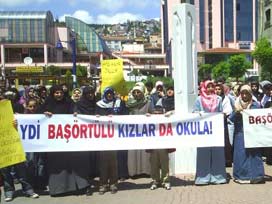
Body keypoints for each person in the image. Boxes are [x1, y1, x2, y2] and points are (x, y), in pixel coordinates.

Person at [39, 85, 91, 196]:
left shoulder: (69, 103)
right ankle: (59, 189)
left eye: (61, 93)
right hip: (54, 142)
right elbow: (38, 118)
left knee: (74, 163)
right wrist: (44, 115)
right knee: (58, 165)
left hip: (69, 140)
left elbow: (75, 111)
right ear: (52, 94)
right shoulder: (47, 105)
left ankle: (79, 186)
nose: (59, 95)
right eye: (56, 93)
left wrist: (76, 114)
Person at [0, 97, 39, 202]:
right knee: (5, 170)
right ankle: (9, 192)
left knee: (21, 168)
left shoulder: (11, 112)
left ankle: (28, 189)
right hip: (2, 147)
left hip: (13, 144)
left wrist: (16, 124)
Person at [193, 80, 227, 185]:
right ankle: (203, 177)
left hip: (216, 130)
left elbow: (221, 112)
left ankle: (218, 177)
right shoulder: (199, 99)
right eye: (208, 87)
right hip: (204, 130)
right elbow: (194, 112)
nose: (210, 89)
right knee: (203, 152)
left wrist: (222, 115)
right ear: (204, 88)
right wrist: (199, 113)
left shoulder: (219, 99)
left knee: (217, 152)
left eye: (212, 87)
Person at [96, 87, 128, 194]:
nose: (109, 95)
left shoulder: (119, 103)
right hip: (102, 137)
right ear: (105, 94)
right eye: (107, 94)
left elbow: (125, 116)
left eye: (111, 94)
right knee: (103, 162)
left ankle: (114, 183)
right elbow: (94, 117)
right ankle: (103, 184)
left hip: (115, 136)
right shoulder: (99, 104)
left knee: (113, 161)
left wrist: (115, 116)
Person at [230, 84, 265, 184]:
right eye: (242, 93)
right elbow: (231, 119)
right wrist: (236, 112)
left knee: (254, 154)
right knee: (241, 154)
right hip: (240, 134)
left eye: (246, 93)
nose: (244, 96)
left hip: (253, 134)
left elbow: (260, 119)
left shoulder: (256, 105)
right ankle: (241, 176)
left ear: (250, 94)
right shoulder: (236, 105)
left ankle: (256, 176)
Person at [148, 86, 175, 190]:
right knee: (154, 162)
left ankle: (165, 180)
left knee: (164, 162)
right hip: (154, 141)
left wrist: (171, 113)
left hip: (164, 141)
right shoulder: (156, 103)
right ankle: (155, 180)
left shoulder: (172, 106)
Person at [126, 83, 152, 177]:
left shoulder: (148, 102)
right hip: (133, 132)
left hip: (145, 131)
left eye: (139, 92)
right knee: (134, 151)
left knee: (144, 152)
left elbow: (155, 114)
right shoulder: (129, 104)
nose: (137, 94)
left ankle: (146, 171)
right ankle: (134, 172)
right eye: (135, 92)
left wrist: (151, 116)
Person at [215, 83, 233, 167]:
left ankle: (227, 160)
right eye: (216, 89)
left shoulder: (225, 98)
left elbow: (228, 111)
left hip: (222, 122)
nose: (217, 91)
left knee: (225, 141)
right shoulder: (212, 98)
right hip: (213, 123)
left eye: (219, 89)